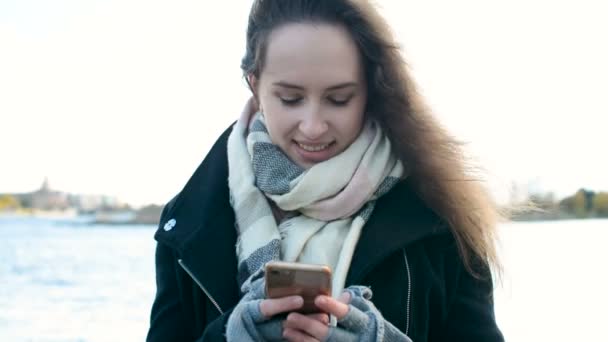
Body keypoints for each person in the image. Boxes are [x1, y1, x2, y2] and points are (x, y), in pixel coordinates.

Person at [146, 0, 505, 341]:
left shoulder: (440, 218)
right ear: (255, 86)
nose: (313, 126)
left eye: (339, 99)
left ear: (372, 90)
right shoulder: (188, 225)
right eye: (290, 98)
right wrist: (230, 335)